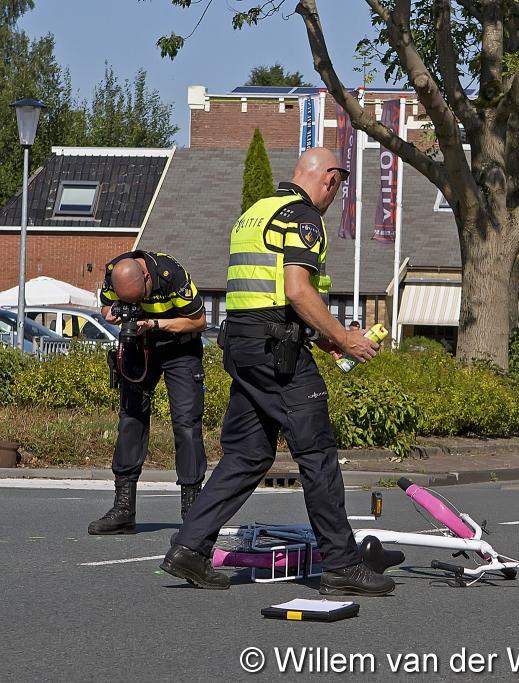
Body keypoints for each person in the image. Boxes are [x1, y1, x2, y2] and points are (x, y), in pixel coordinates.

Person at [161, 147, 394, 596]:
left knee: (248, 455)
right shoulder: (304, 218)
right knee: (317, 454)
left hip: (244, 346)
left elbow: (267, 296)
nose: (334, 197)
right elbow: (297, 290)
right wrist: (344, 338)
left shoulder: (255, 213)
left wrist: (324, 338)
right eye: (337, 187)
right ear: (330, 179)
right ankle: (342, 565)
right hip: (277, 353)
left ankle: (189, 548)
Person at [88, 251, 208, 535]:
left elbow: (199, 321)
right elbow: (105, 309)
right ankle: (124, 508)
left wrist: (154, 324)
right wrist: (114, 314)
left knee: (186, 424)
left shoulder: (171, 275)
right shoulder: (114, 271)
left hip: (180, 348)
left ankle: (192, 511)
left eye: (140, 298)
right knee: (130, 420)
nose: (138, 304)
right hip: (139, 346)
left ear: (146, 277)